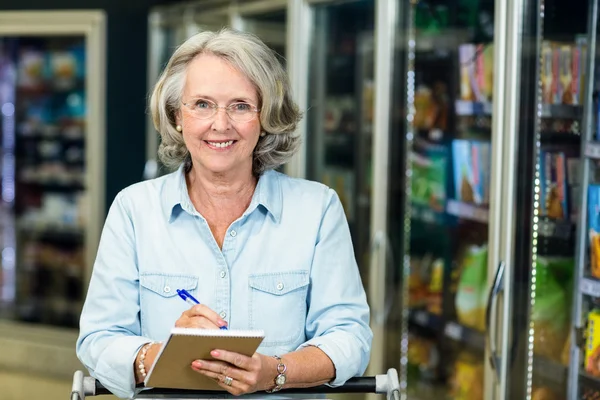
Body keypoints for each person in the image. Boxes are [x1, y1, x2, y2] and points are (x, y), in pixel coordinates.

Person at [76, 28, 372, 399]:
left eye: (240, 105)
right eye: (202, 104)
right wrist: (161, 355)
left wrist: (275, 372)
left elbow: (350, 337)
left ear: (265, 118)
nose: (220, 124)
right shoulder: (134, 210)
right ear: (176, 115)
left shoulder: (317, 209)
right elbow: (98, 340)